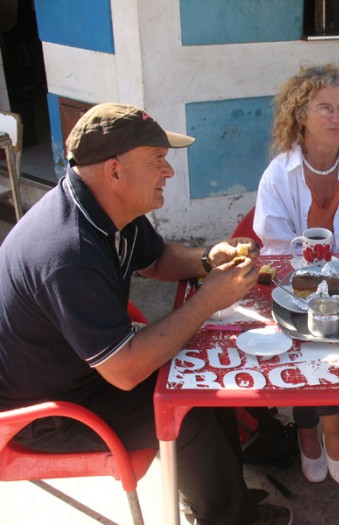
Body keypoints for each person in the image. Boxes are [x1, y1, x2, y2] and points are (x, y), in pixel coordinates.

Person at [0, 103, 292, 525]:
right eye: (157, 161)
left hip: (82, 372)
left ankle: (223, 493)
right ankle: (226, 518)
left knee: (205, 372)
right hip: (46, 413)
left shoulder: (106, 208)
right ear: (114, 171)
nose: (168, 173)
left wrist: (208, 259)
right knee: (191, 402)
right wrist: (208, 299)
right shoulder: (69, 251)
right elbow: (125, 371)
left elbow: (157, 261)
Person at [253, 64, 339, 486]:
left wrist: (332, 281)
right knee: (300, 337)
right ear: (301, 114)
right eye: (324, 107)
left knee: (335, 332)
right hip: (293, 281)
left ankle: (317, 426)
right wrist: (310, 281)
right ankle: (324, 426)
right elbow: (274, 244)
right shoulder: (279, 173)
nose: (336, 116)